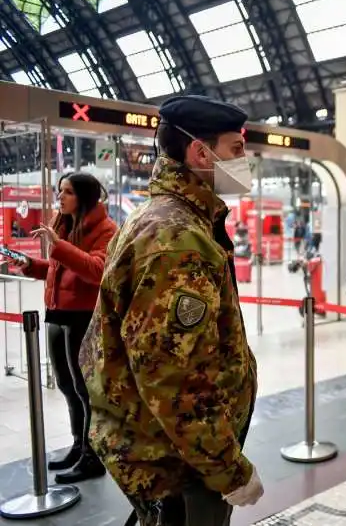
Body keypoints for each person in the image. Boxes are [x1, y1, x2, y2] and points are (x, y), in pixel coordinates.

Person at [79, 95, 262, 526]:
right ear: (201, 152)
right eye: (236, 148)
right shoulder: (179, 238)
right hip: (180, 466)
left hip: (161, 449)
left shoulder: (160, 217)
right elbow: (172, 377)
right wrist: (229, 470)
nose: (244, 158)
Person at [6, 172, 116, 484]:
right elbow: (60, 270)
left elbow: (97, 270)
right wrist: (31, 265)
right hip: (57, 314)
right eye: (59, 190)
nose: (60, 196)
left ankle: (93, 457)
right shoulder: (63, 225)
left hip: (83, 318)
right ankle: (79, 446)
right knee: (68, 388)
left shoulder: (106, 229)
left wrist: (58, 247)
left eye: (67, 192)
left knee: (85, 390)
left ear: (84, 196)